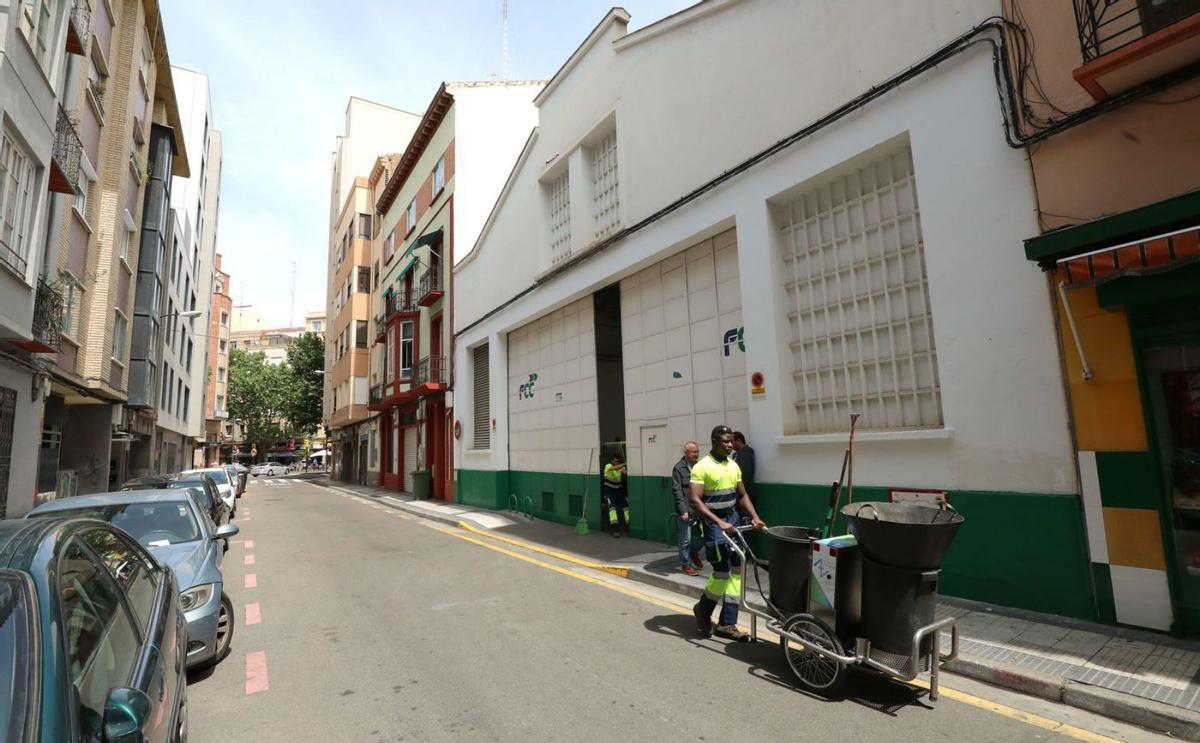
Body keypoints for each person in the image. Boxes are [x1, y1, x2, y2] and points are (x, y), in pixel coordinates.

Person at [689, 425, 766, 641]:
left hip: (733, 520)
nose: (730, 445)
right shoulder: (702, 467)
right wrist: (718, 522)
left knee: (736, 572)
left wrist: (754, 516)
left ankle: (727, 623)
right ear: (714, 441)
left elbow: (742, 495)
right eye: (726, 441)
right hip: (714, 525)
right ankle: (703, 610)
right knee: (722, 572)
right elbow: (694, 500)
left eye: (731, 441)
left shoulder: (733, 465)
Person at [672, 442, 704, 575]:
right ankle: (685, 564)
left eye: (697, 451)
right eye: (693, 452)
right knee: (685, 539)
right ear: (685, 453)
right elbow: (677, 490)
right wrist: (683, 510)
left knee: (706, 535)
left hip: (700, 508)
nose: (696, 454)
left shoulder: (700, 466)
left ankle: (693, 551)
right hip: (686, 509)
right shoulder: (679, 468)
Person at [603, 455, 629, 537]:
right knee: (612, 508)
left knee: (625, 505)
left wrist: (625, 469)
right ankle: (615, 528)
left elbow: (625, 472)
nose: (616, 462)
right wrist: (624, 464)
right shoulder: (608, 466)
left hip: (617, 490)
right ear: (611, 461)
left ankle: (628, 523)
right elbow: (613, 468)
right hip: (608, 491)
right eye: (615, 461)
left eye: (617, 461)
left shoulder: (620, 467)